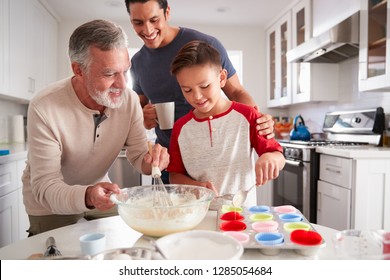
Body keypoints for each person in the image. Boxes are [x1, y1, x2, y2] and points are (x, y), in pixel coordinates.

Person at [21, 19, 169, 236]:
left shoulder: (128, 100)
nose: (122, 85)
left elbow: (138, 155)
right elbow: (46, 185)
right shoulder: (45, 106)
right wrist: (87, 195)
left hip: (100, 189)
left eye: (125, 71)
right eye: (109, 74)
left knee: (116, 245)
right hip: (50, 202)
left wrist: (151, 162)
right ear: (78, 70)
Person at [124, 0, 275, 183]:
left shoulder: (205, 44)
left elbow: (236, 92)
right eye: (138, 22)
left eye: (154, 20)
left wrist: (257, 121)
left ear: (167, 13)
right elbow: (137, 112)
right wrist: (143, 117)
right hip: (170, 162)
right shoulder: (138, 63)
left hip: (213, 158)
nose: (147, 30)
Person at [167, 41, 285, 206]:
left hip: (243, 216)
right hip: (199, 215)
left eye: (205, 86)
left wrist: (270, 158)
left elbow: (277, 155)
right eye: (187, 90)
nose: (197, 96)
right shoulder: (181, 128)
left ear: (222, 78)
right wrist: (198, 187)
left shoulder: (247, 115)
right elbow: (174, 175)